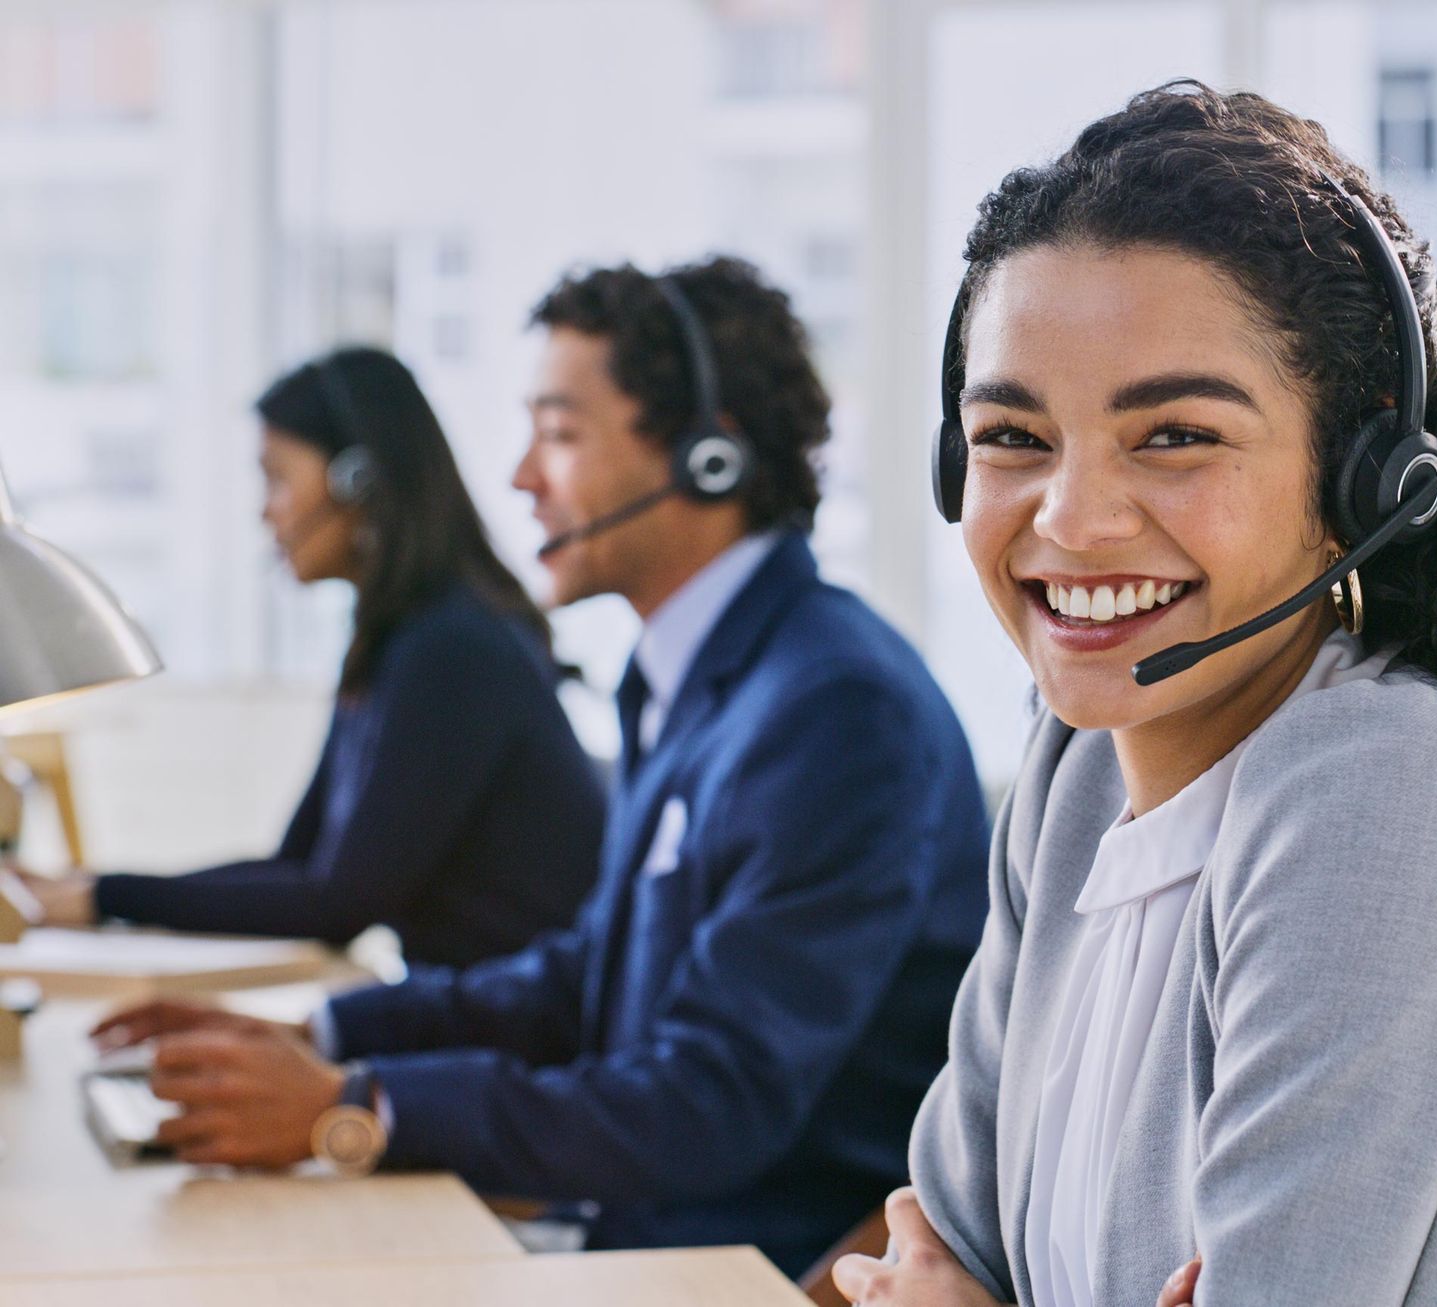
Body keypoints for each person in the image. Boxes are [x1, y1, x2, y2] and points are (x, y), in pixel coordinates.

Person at [835, 83, 1437, 1306]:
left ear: (1368, 477)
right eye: (1013, 435)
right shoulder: (1073, 769)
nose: (1069, 518)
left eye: (1174, 434)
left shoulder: (1388, 787)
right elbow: (940, 1235)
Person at [93, 257, 990, 1276]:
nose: (521, 476)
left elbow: (706, 1103)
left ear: (709, 459)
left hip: (732, 1266)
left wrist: (358, 1109)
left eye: (560, 435)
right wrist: (324, 1033)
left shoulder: (834, 710)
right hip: (634, 1229)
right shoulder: (689, 677)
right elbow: (584, 976)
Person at [14, 347, 603, 969]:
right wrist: (94, 889)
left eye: (277, 477)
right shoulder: (395, 640)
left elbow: (337, 903)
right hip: (456, 1016)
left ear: (360, 483)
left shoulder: (453, 650)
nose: (266, 509)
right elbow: (298, 863)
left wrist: (104, 899)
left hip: (508, 1036)